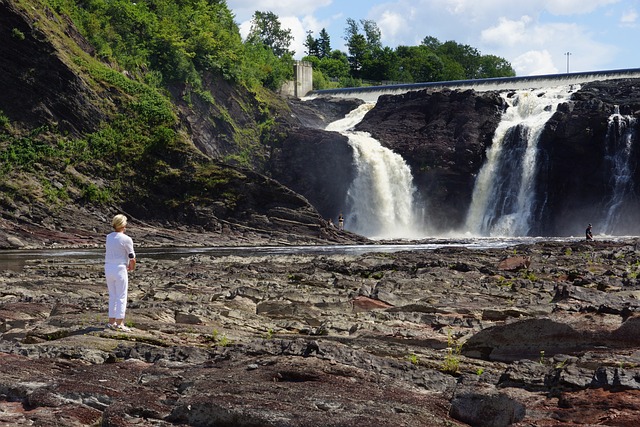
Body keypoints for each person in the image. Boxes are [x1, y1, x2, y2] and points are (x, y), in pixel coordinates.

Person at [104, 214, 136, 332]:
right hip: (120, 268)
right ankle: (120, 323)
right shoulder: (126, 239)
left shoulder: (109, 237)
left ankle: (111, 321)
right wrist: (131, 267)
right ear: (123, 225)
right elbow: (131, 257)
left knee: (113, 295)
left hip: (108, 267)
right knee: (122, 296)